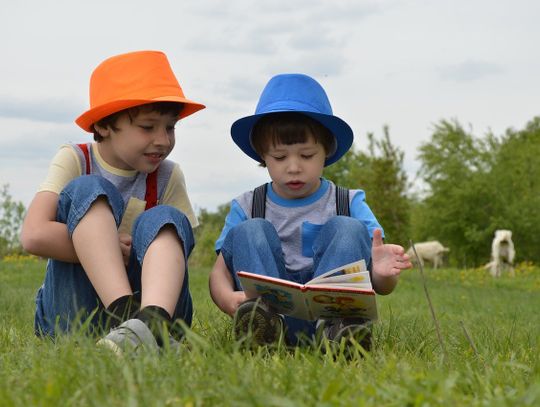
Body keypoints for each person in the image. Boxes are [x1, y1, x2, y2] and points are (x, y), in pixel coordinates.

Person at [21, 50, 205, 353]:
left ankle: (152, 323)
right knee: (88, 188)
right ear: (105, 125)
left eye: (170, 127)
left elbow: (178, 249)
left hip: (155, 304)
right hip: (76, 314)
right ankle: (128, 319)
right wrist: (104, 247)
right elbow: (34, 235)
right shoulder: (76, 159)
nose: (163, 139)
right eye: (148, 127)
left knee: (165, 218)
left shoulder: (168, 175)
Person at [209, 73, 412, 348]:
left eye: (306, 155)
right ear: (262, 155)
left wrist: (382, 276)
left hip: (332, 314)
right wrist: (226, 299)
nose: (293, 167)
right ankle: (262, 331)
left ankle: (341, 333)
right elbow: (219, 272)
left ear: (326, 150)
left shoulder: (348, 202)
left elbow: (380, 285)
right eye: (280, 157)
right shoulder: (247, 206)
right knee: (250, 230)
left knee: (347, 228)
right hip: (270, 311)